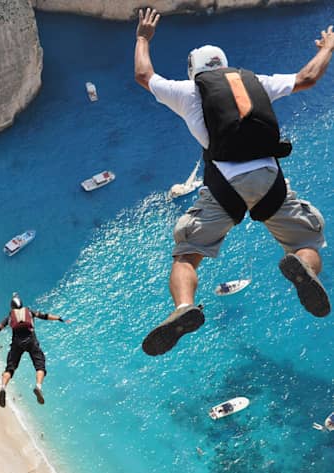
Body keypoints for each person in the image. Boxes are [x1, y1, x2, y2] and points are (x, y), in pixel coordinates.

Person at [134, 8, 334, 356]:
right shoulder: (257, 82)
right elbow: (307, 78)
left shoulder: (186, 91)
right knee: (306, 239)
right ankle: (304, 268)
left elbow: (143, 74)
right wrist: (327, 47)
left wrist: (143, 37)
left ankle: (184, 308)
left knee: (186, 255)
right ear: (225, 65)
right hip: (269, 179)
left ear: (194, 70)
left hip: (224, 185)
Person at [0, 293, 69, 407]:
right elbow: (45, 316)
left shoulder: (10, 317)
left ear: (12, 307)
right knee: (40, 366)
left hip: (17, 343)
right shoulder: (30, 312)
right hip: (31, 341)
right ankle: (38, 386)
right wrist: (59, 318)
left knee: (10, 368)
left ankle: (3, 387)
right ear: (21, 304)